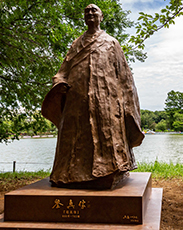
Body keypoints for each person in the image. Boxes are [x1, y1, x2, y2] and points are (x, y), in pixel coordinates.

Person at [41, 4, 144, 189]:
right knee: (74, 140)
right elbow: (62, 72)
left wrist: (129, 107)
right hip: (76, 100)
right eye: (86, 11)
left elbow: (125, 77)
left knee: (106, 137)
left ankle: (111, 171)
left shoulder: (112, 43)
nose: (89, 13)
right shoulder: (76, 44)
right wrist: (59, 83)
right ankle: (68, 175)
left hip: (106, 100)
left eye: (93, 11)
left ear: (101, 16)